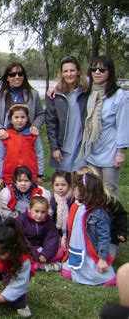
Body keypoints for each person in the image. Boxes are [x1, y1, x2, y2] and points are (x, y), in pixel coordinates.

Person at [79, 55, 129, 200]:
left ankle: (114, 221)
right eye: (94, 69)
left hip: (110, 151)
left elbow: (123, 124)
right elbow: (70, 80)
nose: (97, 72)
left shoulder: (119, 95)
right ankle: (97, 221)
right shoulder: (90, 91)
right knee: (94, 189)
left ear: (110, 72)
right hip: (92, 150)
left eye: (102, 69)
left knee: (109, 190)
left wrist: (121, 151)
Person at [61, 173, 116, 286]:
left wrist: (102, 258)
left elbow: (104, 238)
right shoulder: (76, 206)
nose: (74, 190)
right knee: (67, 272)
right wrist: (65, 237)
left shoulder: (99, 214)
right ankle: (74, 269)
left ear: (87, 192)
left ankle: (95, 274)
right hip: (76, 247)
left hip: (91, 251)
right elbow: (70, 225)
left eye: (77, 188)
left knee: (109, 280)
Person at [45, 56, 90, 172]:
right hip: (62, 147)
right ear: (61, 73)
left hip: (81, 147)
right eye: (65, 71)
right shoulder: (55, 95)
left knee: (81, 185)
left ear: (78, 71)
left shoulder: (86, 90)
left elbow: (98, 79)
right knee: (62, 186)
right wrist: (54, 148)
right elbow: (51, 123)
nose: (69, 74)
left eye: (72, 70)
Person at [0, 62, 44, 141]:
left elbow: (40, 114)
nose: (17, 77)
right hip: (6, 139)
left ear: (23, 77)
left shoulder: (34, 94)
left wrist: (35, 125)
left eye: (20, 74)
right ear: (7, 78)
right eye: (12, 74)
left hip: (27, 139)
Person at [0, 104, 44, 186]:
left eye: (23, 117)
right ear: (10, 119)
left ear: (27, 118)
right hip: (10, 177)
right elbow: (0, 156)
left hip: (30, 176)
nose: (19, 120)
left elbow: (40, 154)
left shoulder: (33, 135)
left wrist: (40, 174)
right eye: (16, 117)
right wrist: (0, 176)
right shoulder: (5, 136)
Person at [15, 196, 63, 273]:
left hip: (42, 248)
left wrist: (46, 254)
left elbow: (52, 238)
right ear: (30, 209)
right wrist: (35, 254)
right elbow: (21, 239)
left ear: (47, 211)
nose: (40, 215)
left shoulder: (48, 221)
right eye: (36, 211)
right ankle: (40, 265)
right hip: (27, 249)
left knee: (60, 252)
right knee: (20, 256)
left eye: (43, 212)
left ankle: (38, 263)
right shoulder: (21, 219)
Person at [49, 171, 73, 238]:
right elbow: (50, 216)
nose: (60, 188)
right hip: (56, 229)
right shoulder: (54, 199)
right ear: (52, 185)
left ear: (69, 185)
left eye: (63, 185)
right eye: (57, 185)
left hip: (71, 229)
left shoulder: (72, 199)